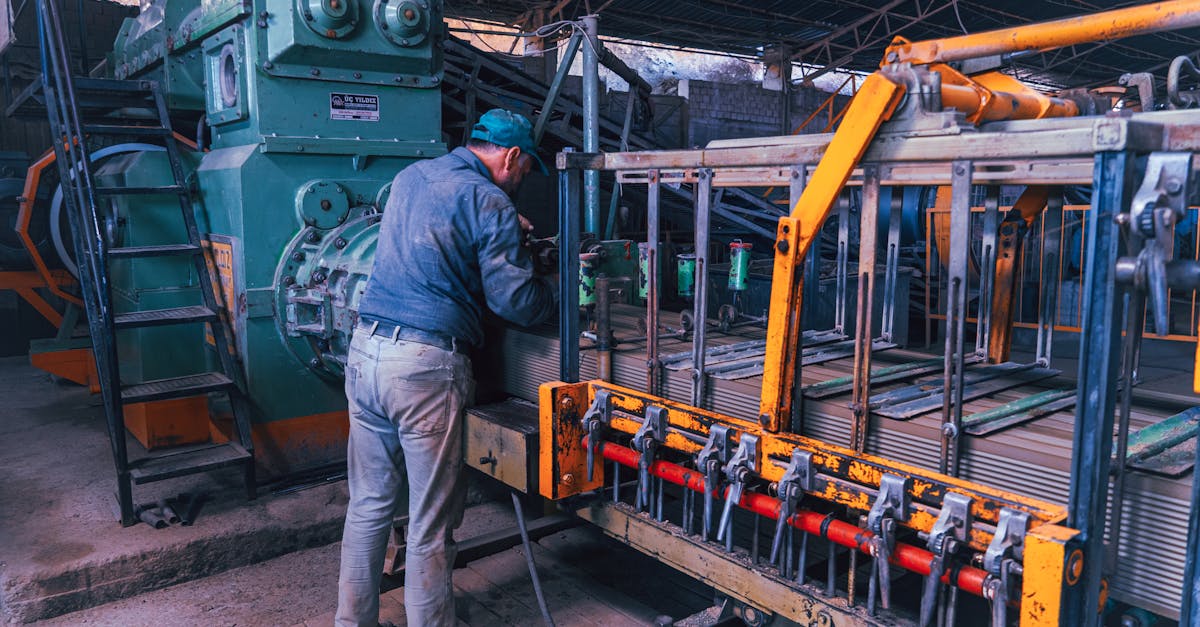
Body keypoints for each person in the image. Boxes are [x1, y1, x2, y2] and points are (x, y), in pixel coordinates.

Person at [336, 109, 557, 627]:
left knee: (368, 504)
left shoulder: (412, 177)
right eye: (525, 170)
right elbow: (513, 301)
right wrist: (557, 295)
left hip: (366, 353)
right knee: (430, 522)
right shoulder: (490, 200)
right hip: (424, 368)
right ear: (512, 157)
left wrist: (502, 230)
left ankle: (351, 622)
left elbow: (438, 240)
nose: (522, 181)